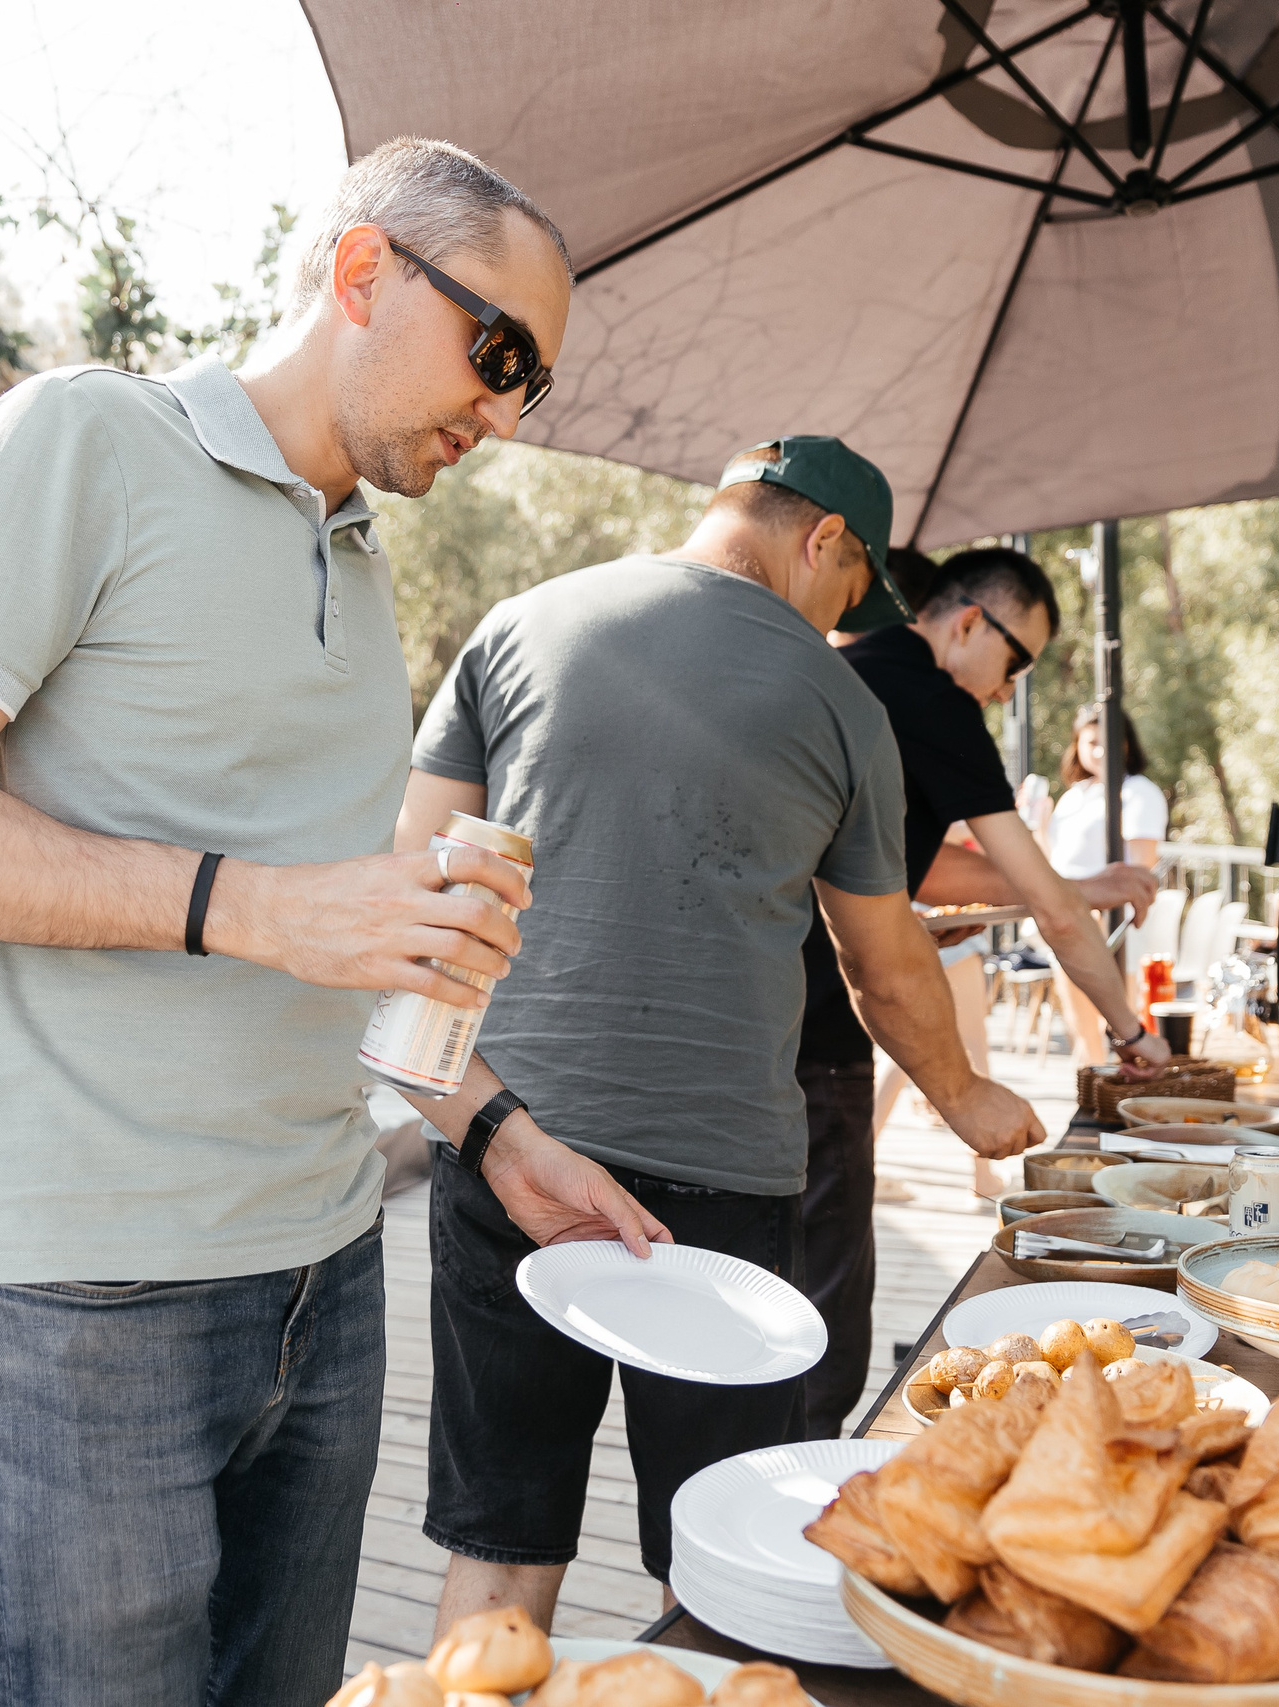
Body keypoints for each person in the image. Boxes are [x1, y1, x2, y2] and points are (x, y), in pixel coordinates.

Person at [0, 138, 663, 1707]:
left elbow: (334, 941)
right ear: (361, 273)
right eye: (500, 353)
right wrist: (256, 907)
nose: (508, 412)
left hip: (327, 1274)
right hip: (80, 1306)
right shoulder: (85, 440)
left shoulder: (354, 550)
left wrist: (494, 1129)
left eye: (536, 384)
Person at [399, 436, 1048, 1632]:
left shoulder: (520, 623)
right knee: (715, 1559)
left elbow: (412, 892)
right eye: (850, 595)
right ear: (825, 544)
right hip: (718, 1185)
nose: (840, 621)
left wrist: (471, 1112)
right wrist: (966, 1099)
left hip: (504, 1147)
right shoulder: (841, 700)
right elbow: (884, 965)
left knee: (498, 1545)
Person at [795, 547, 1167, 1438]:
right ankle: (793, 1519)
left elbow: (922, 866)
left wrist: (1087, 886)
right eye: (1017, 661)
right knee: (825, 1332)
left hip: (763, 1026)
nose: (1008, 689)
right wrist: (1131, 1033)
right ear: (968, 622)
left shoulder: (857, 674)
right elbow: (1051, 910)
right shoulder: (934, 698)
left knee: (798, 1307)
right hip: (814, 1035)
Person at [1040, 705, 1169, 1065]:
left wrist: (1100, 905)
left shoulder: (1138, 792)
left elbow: (1142, 865)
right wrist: (1038, 825)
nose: (1099, 750)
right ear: (1077, 745)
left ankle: (1113, 1089)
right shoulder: (1074, 796)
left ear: (1126, 744)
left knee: (1118, 1023)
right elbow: (1053, 863)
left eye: (1108, 741)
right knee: (1081, 1026)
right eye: (1091, 741)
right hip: (1066, 919)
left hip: (1112, 924)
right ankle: (1093, 1089)